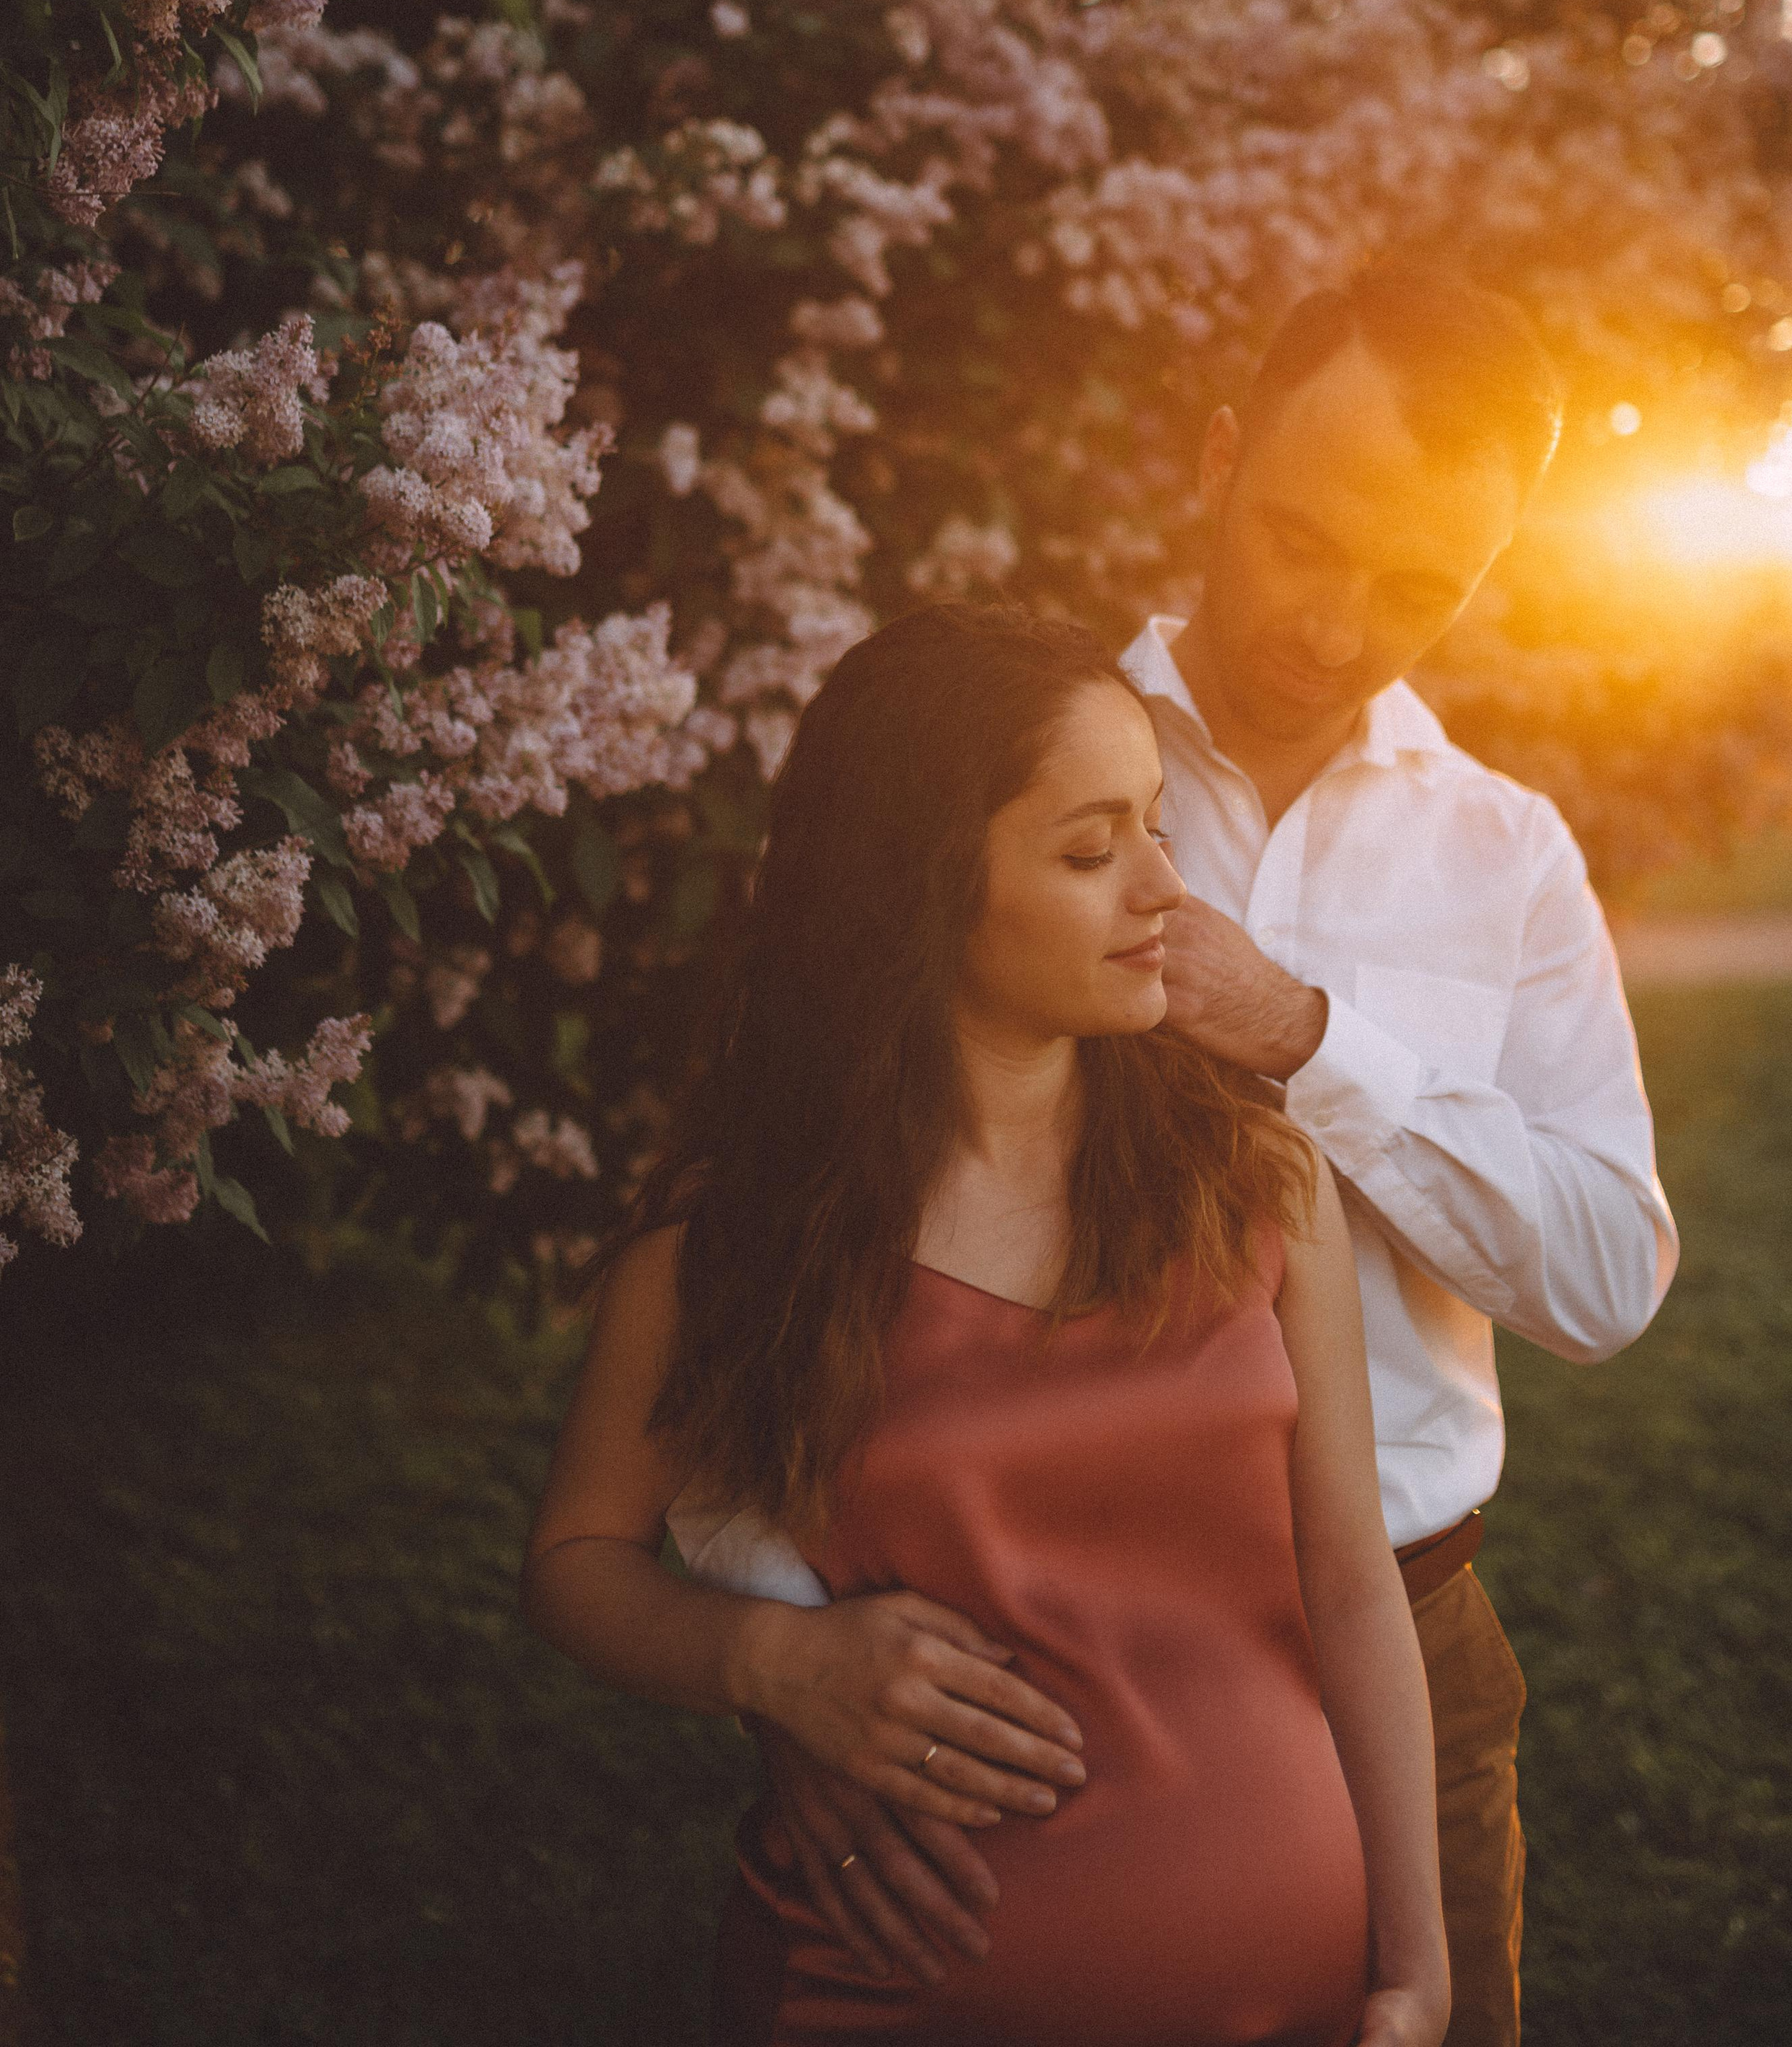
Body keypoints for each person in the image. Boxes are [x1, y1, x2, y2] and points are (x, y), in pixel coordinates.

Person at [709, 267, 1680, 2047]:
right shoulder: (1015, 760)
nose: (1334, 624)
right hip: (1003, 1636)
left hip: (1408, 1618)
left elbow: (1608, 1277)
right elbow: (801, 1187)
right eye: (1308, 541)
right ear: (1219, 462)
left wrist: (1312, 1041)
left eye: (1416, 587)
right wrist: (785, 1665)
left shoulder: (1508, 857)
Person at [524, 602, 1450, 2047]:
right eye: (1091, 849)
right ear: (924, 884)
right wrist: (771, 1671)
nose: (1163, 888)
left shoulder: (1254, 1178)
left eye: (1155, 824)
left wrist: (1416, 1957)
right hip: (885, 1997)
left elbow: (1347, 1578)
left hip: (1300, 2003)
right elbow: (578, 1559)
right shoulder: (738, 1237)